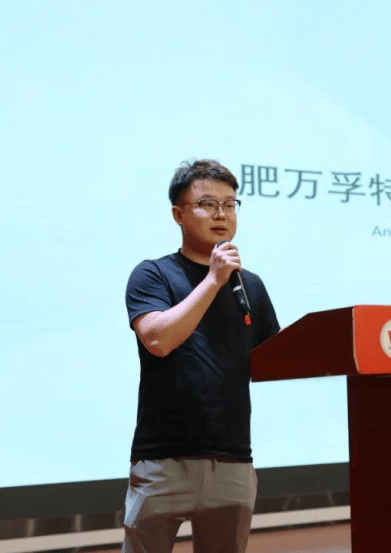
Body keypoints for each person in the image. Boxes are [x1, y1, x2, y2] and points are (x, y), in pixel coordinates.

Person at [122, 159, 280, 553]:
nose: (221, 215)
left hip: (233, 460)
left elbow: (274, 359)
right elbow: (158, 340)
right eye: (207, 204)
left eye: (230, 205)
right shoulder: (153, 275)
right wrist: (213, 280)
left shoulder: (251, 286)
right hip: (163, 461)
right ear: (178, 214)